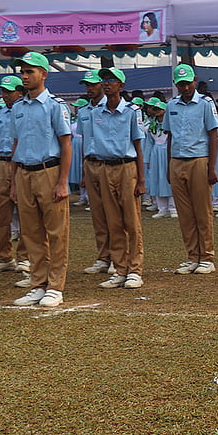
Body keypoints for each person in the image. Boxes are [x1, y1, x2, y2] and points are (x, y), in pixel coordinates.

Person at [8, 52, 72, 308]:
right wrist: (13, 182)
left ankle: (55, 286)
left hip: (49, 171)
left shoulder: (55, 105)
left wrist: (62, 181)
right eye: (22, 71)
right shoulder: (18, 108)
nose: (24, 76)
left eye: (30, 71)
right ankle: (38, 284)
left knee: (56, 232)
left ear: (44, 74)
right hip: (24, 173)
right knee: (31, 233)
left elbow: (66, 144)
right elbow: (15, 145)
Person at [82, 68, 145, 289]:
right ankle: (119, 269)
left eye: (112, 80)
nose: (107, 83)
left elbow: (138, 144)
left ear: (121, 85)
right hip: (104, 168)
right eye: (105, 80)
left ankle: (135, 270)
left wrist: (141, 180)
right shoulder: (94, 112)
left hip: (126, 168)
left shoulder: (131, 111)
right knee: (113, 221)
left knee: (131, 221)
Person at [164, 63, 218, 275]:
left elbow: (213, 134)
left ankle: (206, 257)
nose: (185, 87)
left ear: (195, 81)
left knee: (202, 212)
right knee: (185, 213)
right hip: (177, 161)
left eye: (188, 83)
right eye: (181, 84)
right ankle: (192, 256)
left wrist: (211, 167)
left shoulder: (205, 104)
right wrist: (169, 166)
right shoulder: (172, 106)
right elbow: (170, 137)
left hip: (199, 160)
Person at [0, 76, 29, 275]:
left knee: (26, 213)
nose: (5, 95)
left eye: (9, 91)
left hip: (21, 163)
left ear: (20, 92)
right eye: (3, 91)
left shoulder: (26, 111)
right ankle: (4, 258)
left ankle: (25, 257)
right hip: (2, 163)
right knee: (0, 215)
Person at [77, 72, 114, 274]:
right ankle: (103, 257)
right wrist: (84, 169)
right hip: (91, 164)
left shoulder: (111, 107)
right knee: (98, 214)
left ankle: (118, 257)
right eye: (87, 86)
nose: (89, 89)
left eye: (93, 85)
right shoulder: (84, 111)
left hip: (108, 164)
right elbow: (85, 141)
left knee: (114, 214)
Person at [144, 96, 175, 218]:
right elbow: (149, 143)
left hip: (168, 151)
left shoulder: (170, 124)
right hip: (156, 153)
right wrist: (148, 159)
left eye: (159, 109)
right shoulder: (152, 125)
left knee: (169, 180)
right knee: (157, 179)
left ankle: (173, 208)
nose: (157, 111)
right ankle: (162, 208)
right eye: (155, 109)